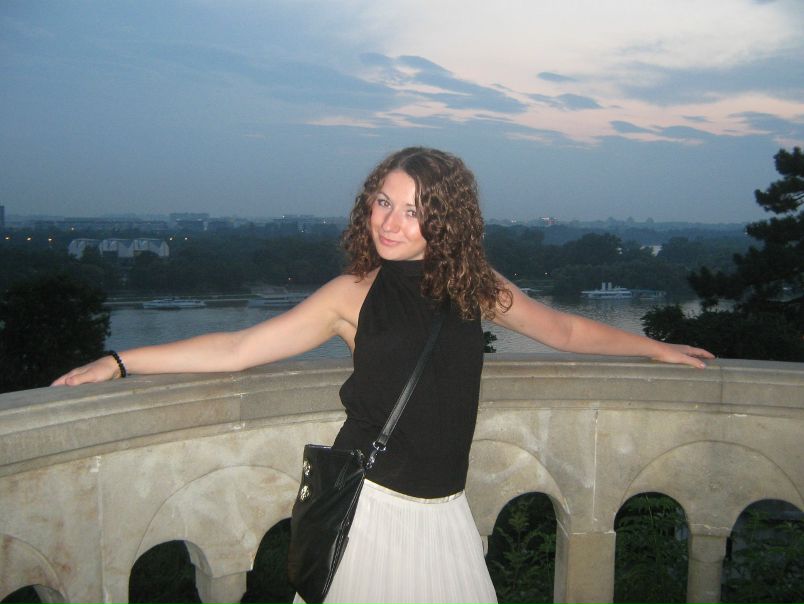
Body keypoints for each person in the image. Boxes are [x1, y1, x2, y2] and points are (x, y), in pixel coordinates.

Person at [53, 147, 714, 603]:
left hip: (444, 514)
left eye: (414, 210)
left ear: (444, 219)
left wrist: (652, 349)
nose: (391, 223)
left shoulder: (472, 282)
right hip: (371, 511)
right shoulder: (353, 293)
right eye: (383, 203)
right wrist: (120, 360)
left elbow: (562, 330)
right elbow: (238, 347)